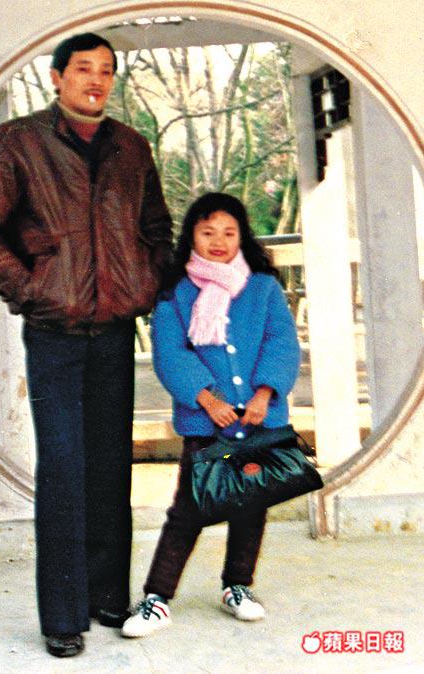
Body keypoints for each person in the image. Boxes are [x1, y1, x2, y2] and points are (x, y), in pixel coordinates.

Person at [0, 33, 173, 658]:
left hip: (114, 332)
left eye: (107, 70)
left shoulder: (131, 147)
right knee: (63, 467)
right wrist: (34, 292)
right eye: (84, 69)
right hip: (54, 334)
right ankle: (62, 615)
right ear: (57, 77)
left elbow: (156, 228)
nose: (96, 80)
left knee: (110, 465)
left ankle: (107, 596)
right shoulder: (17, 142)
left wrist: (144, 283)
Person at [121, 192, 300, 638]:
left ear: (242, 236)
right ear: (192, 237)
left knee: (251, 508)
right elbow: (170, 353)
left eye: (228, 232)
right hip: (207, 423)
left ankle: (237, 586)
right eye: (207, 232)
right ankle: (157, 598)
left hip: (260, 419)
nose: (218, 241)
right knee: (188, 510)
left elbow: (281, 341)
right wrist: (207, 399)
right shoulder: (176, 293)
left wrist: (265, 393)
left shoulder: (263, 288)